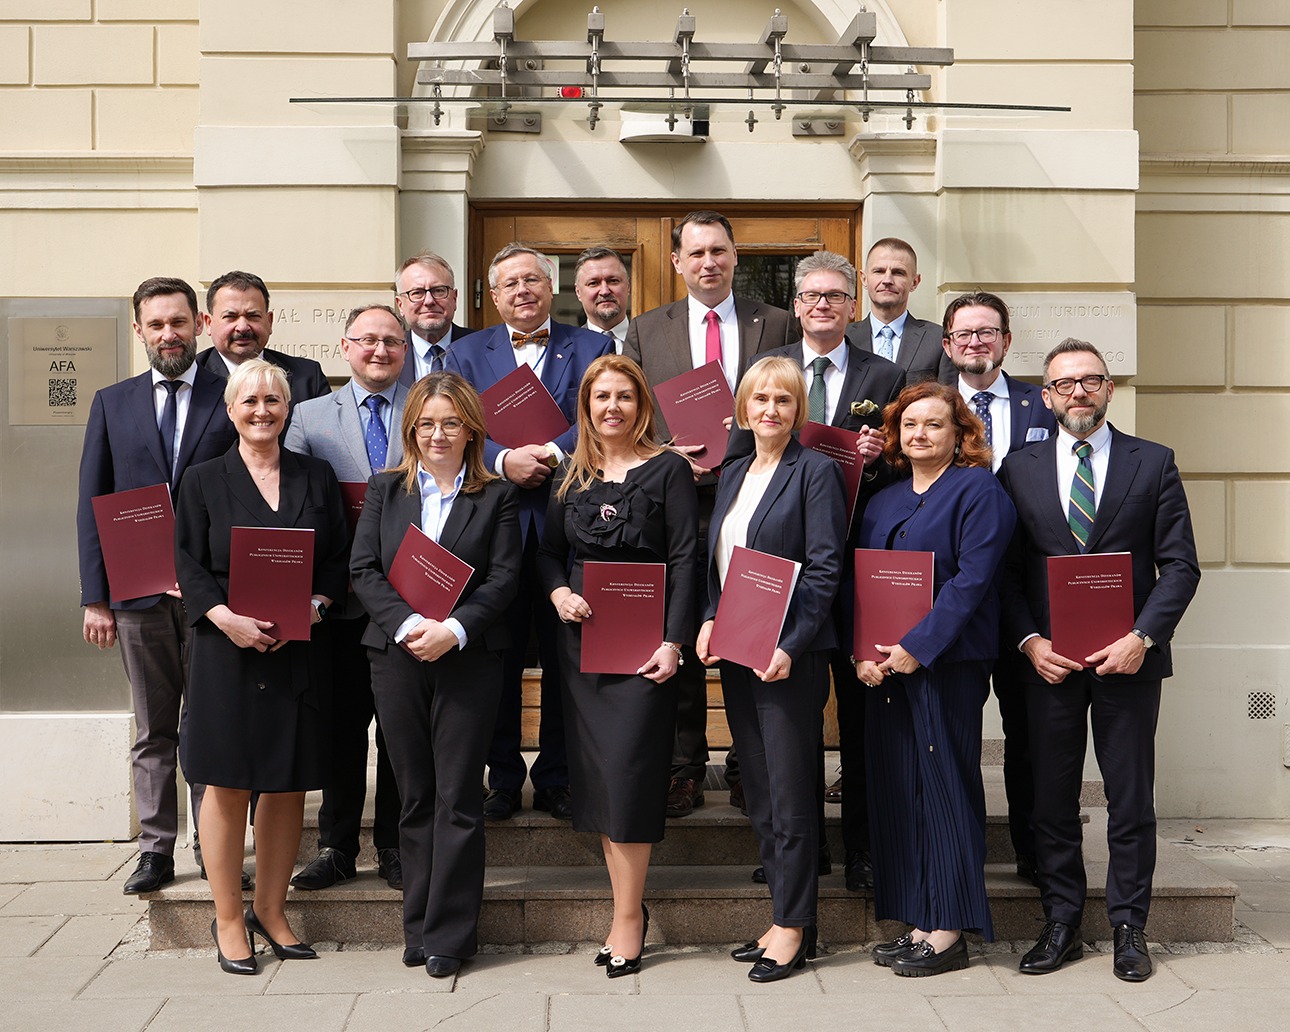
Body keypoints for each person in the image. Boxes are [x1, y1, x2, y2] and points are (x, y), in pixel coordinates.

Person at [999, 339, 1200, 983]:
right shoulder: (1018, 468)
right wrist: (1030, 642)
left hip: (1128, 662)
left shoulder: (1154, 461)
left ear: (1109, 388)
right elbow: (1004, 573)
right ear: (1047, 396)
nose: (1078, 391)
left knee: (1130, 798)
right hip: (1050, 664)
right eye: (1064, 383)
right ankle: (1060, 920)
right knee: (1051, 799)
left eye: (1090, 380)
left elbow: (1180, 566)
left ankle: (1129, 926)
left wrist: (1143, 637)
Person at [724, 250, 906, 892]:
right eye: (811, 295)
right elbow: (740, 460)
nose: (822, 305)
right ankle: (796, 854)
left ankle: (861, 848)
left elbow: (911, 465)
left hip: (856, 565)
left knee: (859, 714)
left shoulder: (886, 374)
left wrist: (881, 457)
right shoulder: (767, 371)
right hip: (773, 575)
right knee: (779, 726)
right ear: (796, 306)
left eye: (835, 296)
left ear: (852, 307)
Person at [174, 359, 349, 974]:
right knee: (226, 782)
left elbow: (338, 557)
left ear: (288, 409)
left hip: (298, 649)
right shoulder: (202, 479)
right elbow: (187, 562)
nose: (261, 411)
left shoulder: (316, 475)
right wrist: (226, 619)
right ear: (231, 411)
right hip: (225, 652)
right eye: (249, 401)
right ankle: (228, 919)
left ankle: (272, 912)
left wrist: (315, 606)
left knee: (285, 783)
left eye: (273, 400)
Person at [350, 371, 521, 979]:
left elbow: (504, 577)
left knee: (458, 796)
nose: (438, 434)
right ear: (411, 430)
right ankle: (418, 926)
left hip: (468, 660)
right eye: (426, 424)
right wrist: (407, 626)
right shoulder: (385, 489)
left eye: (451, 423)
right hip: (396, 657)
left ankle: (451, 934)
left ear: (471, 429)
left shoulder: (497, 496)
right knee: (414, 794)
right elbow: (363, 569)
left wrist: (454, 629)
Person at [624, 209, 792, 819]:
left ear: (735, 255)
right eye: (695, 253)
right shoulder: (646, 330)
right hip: (679, 506)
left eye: (718, 250)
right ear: (677, 262)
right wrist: (664, 453)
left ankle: (750, 767)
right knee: (683, 630)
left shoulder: (777, 322)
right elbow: (631, 414)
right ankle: (684, 768)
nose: (708, 262)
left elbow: (791, 401)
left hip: (758, 500)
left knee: (754, 624)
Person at [537, 354, 699, 979]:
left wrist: (675, 642)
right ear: (586, 406)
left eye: (624, 396)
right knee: (602, 780)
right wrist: (558, 593)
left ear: (642, 405)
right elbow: (548, 553)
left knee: (630, 776)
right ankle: (625, 908)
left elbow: (684, 559)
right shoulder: (569, 473)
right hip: (584, 649)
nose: (612, 407)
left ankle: (629, 918)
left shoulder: (669, 469)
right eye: (601, 396)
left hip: (646, 651)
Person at [77, 276, 239, 895]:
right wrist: (95, 596)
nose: (169, 334)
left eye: (178, 322)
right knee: (153, 729)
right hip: (137, 594)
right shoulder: (111, 402)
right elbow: (93, 500)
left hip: (213, 595)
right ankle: (155, 849)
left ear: (199, 325)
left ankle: (212, 844)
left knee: (210, 723)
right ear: (139, 330)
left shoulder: (232, 395)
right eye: (156, 324)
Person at [855, 381, 1016, 976]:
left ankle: (948, 929)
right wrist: (863, 653)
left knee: (945, 787)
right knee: (901, 789)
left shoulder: (979, 491)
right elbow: (863, 582)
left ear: (960, 434)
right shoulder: (884, 500)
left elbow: (972, 582)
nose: (919, 434)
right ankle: (919, 919)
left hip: (948, 664)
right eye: (909, 425)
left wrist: (916, 648)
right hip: (884, 668)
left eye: (934, 424)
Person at [446, 244, 612, 823]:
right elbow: (455, 424)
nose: (523, 290)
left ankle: (558, 778)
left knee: (567, 659)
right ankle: (502, 779)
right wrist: (502, 459)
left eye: (533, 280)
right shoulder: (466, 352)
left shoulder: (592, 347)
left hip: (570, 525)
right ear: (494, 296)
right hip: (494, 526)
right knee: (498, 658)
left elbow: (601, 416)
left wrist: (551, 453)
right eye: (511, 283)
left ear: (552, 287)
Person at [697, 355, 846, 983]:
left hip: (789, 657)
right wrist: (709, 617)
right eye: (760, 398)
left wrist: (789, 644)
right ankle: (786, 915)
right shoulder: (734, 472)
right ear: (743, 408)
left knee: (789, 790)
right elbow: (718, 560)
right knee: (758, 788)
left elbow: (825, 569)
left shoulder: (814, 471)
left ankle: (794, 926)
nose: (771, 410)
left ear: (798, 409)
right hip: (738, 648)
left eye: (783, 400)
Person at [283, 305, 409, 892]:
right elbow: (293, 501)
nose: (379, 350)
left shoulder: (430, 408)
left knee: (399, 730)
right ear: (345, 347)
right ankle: (336, 846)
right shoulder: (308, 416)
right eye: (368, 340)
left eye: (391, 341)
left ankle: (395, 844)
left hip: (408, 601)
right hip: (337, 603)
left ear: (404, 349)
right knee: (340, 728)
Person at [942, 290, 1056, 887]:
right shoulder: (929, 407)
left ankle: (1034, 852)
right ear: (947, 345)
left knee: (1028, 733)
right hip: (949, 594)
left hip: (1023, 595)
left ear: (1006, 342)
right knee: (951, 732)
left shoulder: (1044, 405)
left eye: (987, 332)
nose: (976, 342)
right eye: (964, 334)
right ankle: (954, 852)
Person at [197, 270, 331, 410]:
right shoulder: (192, 377)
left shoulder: (308, 378)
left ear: (269, 321)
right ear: (208, 323)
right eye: (230, 316)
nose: (242, 327)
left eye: (253, 316)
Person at [845, 238, 954, 386]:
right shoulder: (844, 337)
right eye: (879, 271)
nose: (887, 280)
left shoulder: (937, 340)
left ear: (915, 282)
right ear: (864, 279)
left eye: (898, 273)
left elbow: (949, 397)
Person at [394, 251, 473, 384]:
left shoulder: (481, 349)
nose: (429, 301)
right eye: (417, 293)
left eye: (439, 291)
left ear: (454, 298)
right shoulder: (389, 354)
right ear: (400, 305)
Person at [573, 245, 631, 352]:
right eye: (593, 283)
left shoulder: (650, 342)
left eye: (613, 281)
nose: (605, 291)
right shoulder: (566, 348)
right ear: (578, 292)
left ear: (628, 286)